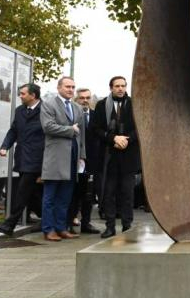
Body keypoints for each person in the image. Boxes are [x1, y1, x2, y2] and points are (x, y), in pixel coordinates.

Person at [92, 76, 140, 238]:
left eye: (123, 86)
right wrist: (113, 139)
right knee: (108, 193)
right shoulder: (100, 105)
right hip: (108, 156)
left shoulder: (135, 104)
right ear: (111, 87)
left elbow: (141, 126)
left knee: (127, 193)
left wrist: (127, 139)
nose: (120, 89)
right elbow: (95, 128)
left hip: (128, 156)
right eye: (117, 86)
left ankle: (127, 226)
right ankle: (110, 226)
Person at [0, 83, 44, 236]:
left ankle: (9, 225)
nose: (20, 96)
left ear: (33, 95)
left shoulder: (46, 110)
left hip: (38, 159)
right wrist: (5, 146)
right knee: (33, 193)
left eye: (23, 93)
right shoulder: (20, 111)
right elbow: (14, 130)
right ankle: (51, 219)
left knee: (21, 192)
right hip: (22, 158)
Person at [40, 76, 85, 241]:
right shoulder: (49, 104)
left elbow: (82, 135)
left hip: (73, 158)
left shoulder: (77, 107)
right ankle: (48, 229)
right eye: (67, 87)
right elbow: (47, 126)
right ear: (59, 87)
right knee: (50, 196)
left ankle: (61, 227)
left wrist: (82, 156)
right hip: (55, 158)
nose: (71, 90)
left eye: (73, 87)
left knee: (65, 197)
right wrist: (69, 130)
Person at [67, 88, 101, 234]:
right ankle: (69, 222)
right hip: (75, 159)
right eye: (82, 98)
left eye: (88, 97)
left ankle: (86, 223)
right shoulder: (71, 115)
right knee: (73, 193)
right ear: (76, 99)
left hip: (92, 161)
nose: (85, 100)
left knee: (89, 195)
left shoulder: (96, 116)